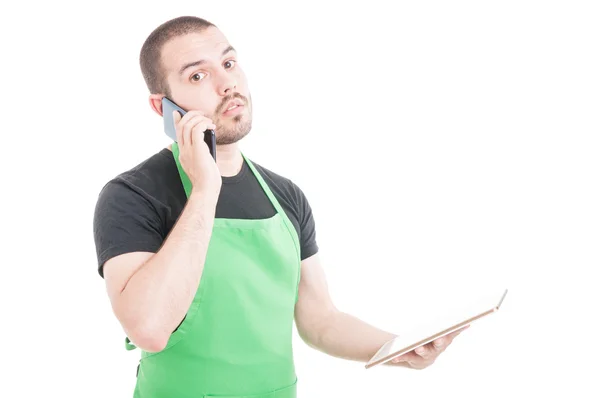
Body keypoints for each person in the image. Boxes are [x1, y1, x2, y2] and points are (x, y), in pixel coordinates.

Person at [92, 15, 468, 398]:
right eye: (197, 76)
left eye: (228, 63)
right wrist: (205, 190)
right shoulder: (132, 196)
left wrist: (400, 347)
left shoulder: (285, 196)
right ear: (163, 108)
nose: (228, 84)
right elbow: (150, 329)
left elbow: (319, 320)